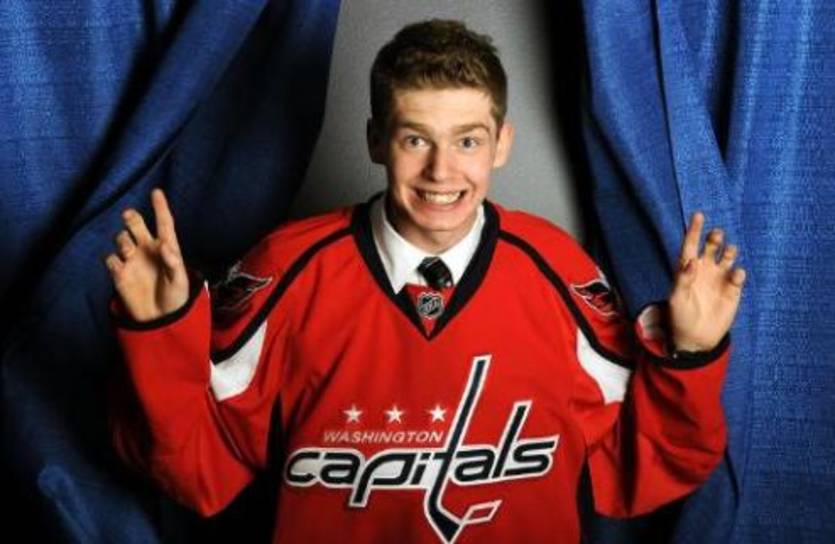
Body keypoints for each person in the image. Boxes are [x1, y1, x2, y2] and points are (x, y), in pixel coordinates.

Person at [104, 19, 746, 544]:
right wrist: (160, 332)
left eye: (468, 141)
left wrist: (690, 353)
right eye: (416, 139)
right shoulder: (286, 266)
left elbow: (646, 466)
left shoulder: (559, 269)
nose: (442, 171)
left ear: (501, 144)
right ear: (376, 140)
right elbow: (195, 471)